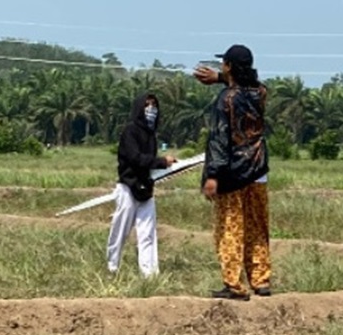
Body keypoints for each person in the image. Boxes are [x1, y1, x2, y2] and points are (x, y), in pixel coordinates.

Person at [192, 45, 272, 300]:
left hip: (232, 172)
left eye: (223, 65)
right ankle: (261, 280)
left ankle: (234, 284)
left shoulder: (225, 99)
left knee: (230, 228)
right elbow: (248, 84)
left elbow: (219, 139)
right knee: (257, 227)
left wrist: (212, 175)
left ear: (228, 66)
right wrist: (219, 79)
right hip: (258, 169)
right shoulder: (261, 93)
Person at [107, 93, 175, 277]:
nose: (151, 109)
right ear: (139, 108)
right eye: (147, 105)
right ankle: (112, 267)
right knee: (120, 230)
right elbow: (135, 158)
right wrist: (161, 162)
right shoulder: (130, 131)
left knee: (147, 233)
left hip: (146, 188)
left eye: (154, 105)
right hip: (128, 187)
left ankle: (149, 274)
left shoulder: (151, 135)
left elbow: (147, 162)